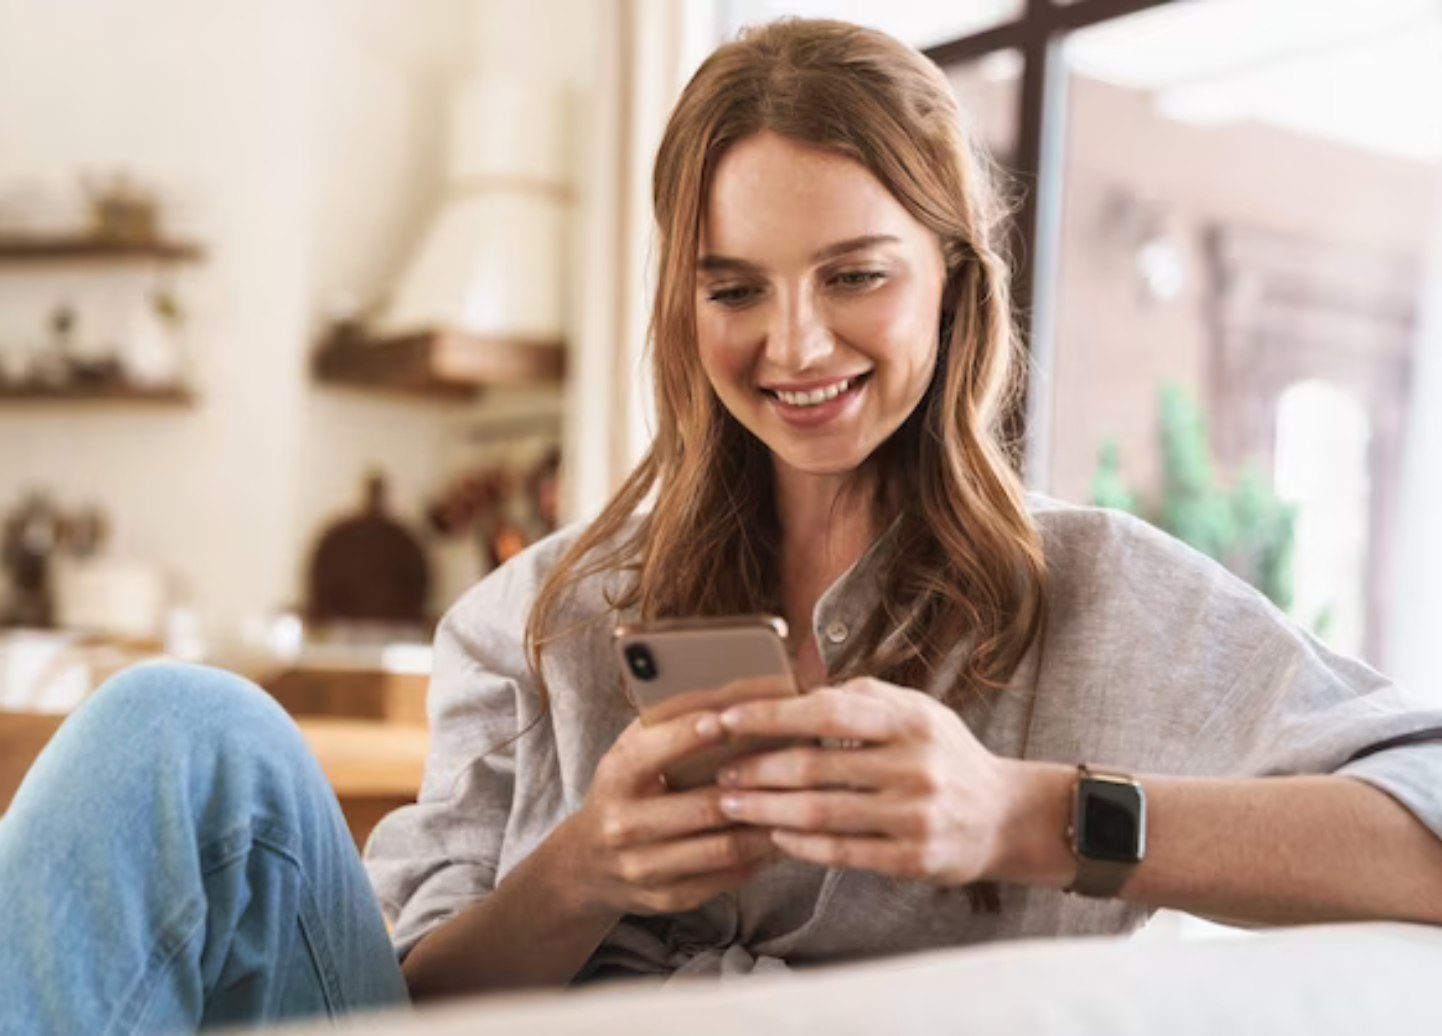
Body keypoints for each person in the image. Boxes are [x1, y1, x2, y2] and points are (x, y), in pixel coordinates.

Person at [3, 16, 1442, 1032]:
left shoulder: (1099, 593)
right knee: (177, 729)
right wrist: (583, 873)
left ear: (952, 281)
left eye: (855, 276)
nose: (792, 343)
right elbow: (401, 1007)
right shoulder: (541, 618)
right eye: (734, 287)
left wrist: (1025, 815)